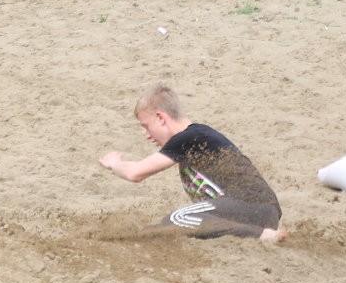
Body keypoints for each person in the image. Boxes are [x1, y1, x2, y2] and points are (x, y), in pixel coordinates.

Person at [98, 84, 285, 243]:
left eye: (146, 126)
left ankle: (261, 236)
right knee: (165, 228)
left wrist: (115, 163)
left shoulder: (191, 136)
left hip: (251, 207)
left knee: (179, 218)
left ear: (161, 118)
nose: (147, 135)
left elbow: (135, 173)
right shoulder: (193, 140)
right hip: (253, 213)